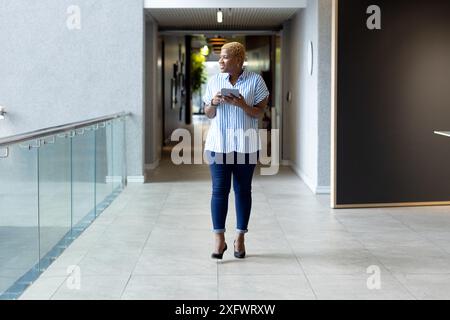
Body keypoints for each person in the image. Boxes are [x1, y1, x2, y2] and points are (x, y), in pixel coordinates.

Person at [203, 42, 269, 259]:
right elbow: (208, 114)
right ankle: (219, 240)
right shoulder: (214, 81)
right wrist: (213, 103)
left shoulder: (256, 81)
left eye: (224, 57)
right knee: (219, 191)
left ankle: (240, 237)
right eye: (220, 58)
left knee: (242, 191)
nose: (220, 61)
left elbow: (260, 113)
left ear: (238, 60)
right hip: (218, 145)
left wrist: (241, 104)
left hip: (245, 146)